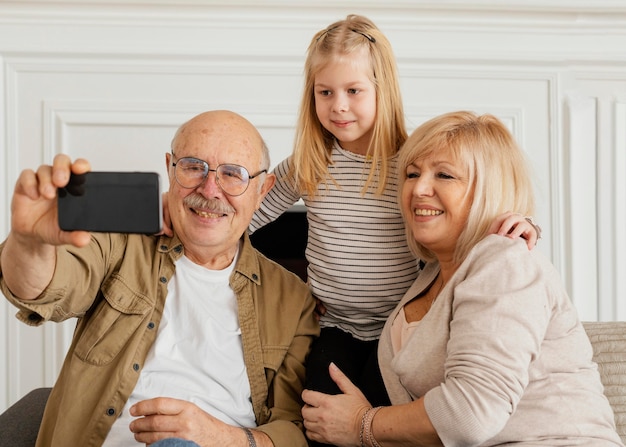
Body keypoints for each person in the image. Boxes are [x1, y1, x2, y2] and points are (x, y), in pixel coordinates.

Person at [246, 13, 541, 427]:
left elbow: (474, 205)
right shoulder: (308, 163)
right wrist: (190, 210)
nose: (339, 105)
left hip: (401, 331)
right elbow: (248, 215)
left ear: (382, 90)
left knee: (383, 423)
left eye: (353, 90)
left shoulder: (413, 162)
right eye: (325, 92)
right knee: (320, 418)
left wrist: (525, 223)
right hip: (334, 326)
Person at [300, 111, 624, 446]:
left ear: (488, 189)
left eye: (445, 175)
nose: (419, 188)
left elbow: (471, 412)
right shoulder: (430, 277)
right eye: (412, 173)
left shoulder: (505, 261)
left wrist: (362, 424)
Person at [0, 110, 319, 447]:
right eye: (194, 167)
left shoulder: (292, 300)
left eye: (233, 174)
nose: (211, 189)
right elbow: (44, 288)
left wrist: (217, 436)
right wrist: (29, 240)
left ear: (262, 189)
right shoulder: (122, 244)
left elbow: (292, 430)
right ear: (170, 168)